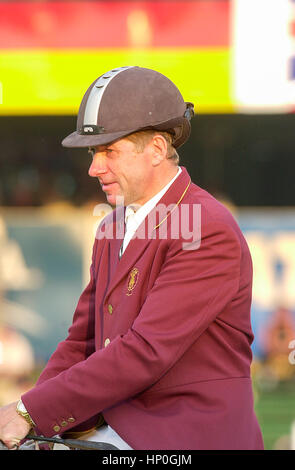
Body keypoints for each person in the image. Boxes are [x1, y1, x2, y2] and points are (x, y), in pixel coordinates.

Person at [0, 66, 264, 450]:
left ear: (157, 149)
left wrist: (29, 411)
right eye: (94, 152)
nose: (94, 168)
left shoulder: (208, 226)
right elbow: (82, 342)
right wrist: (35, 423)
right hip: (118, 431)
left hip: (186, 437)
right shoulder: (113, 225)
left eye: (110, 151)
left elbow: (146, 351)